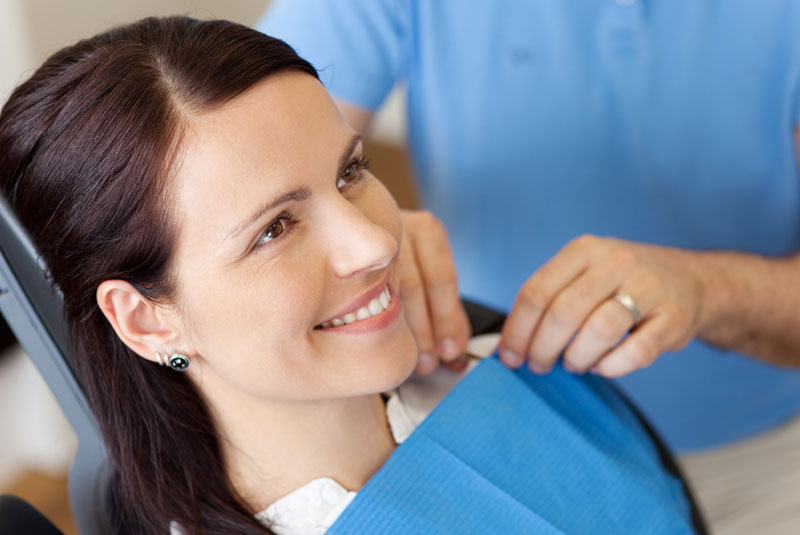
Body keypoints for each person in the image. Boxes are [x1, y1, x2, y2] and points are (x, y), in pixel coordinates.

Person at [0, 16, 700, 535]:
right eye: (274, 229)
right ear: (149, 317)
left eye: (350, 171)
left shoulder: (518, 369)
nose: (373, 241)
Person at [257, 4, 800, 530]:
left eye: (353, 171)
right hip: (502, 439)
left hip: (762, 459)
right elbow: (241, 143)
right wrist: (369, 220)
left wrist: (709, 291)